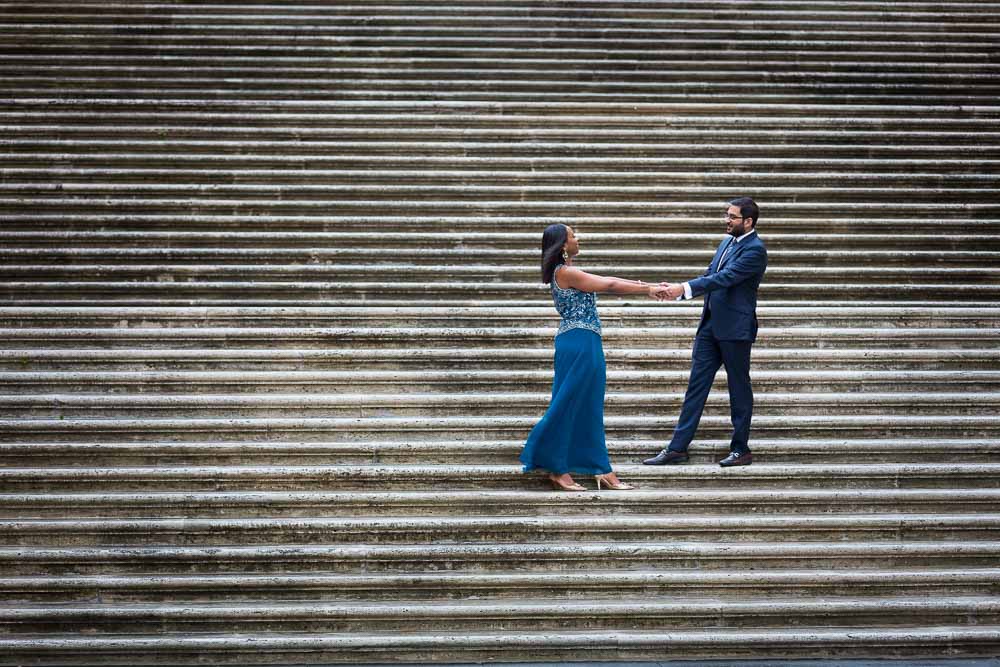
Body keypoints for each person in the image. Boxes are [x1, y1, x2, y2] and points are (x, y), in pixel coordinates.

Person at [520, 224, 668, 491]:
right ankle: (557, 467)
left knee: (587, 406)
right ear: (563, 246)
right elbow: (609, 284)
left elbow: (609, 279)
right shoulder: (566, 272)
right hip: (580, 343)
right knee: (569, 403)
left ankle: (601, 468)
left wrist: (648, 285)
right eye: (573, 235)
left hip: (580, 340)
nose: (578, 238)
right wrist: (648, 290)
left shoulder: (566, 272)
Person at [644, 197, 768, 467]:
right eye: (727, 215)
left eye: (733, 217)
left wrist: (683, 287)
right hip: (710, 326)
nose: (727, 220)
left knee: (739, 389)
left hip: (735, 329)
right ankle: (677, 448)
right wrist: (676, 293)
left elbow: (726, 278)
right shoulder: (726, 242)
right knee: (696, 387)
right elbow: (710, 274)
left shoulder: (755, 249)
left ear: (748, 221)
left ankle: (740, 449)